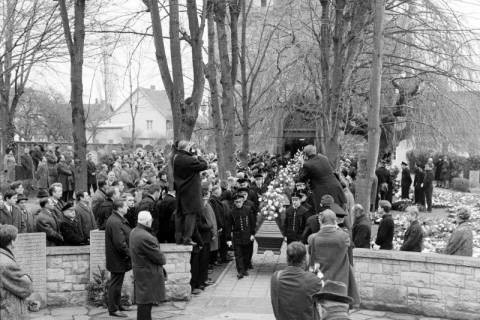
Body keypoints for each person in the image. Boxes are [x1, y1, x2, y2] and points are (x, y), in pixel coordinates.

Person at [308, 210, 360, 306]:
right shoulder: (344, 237)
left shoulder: (313, 238)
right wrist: (336, 227)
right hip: (341, 282)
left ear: (320, 221)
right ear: (335, 221)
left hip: (321, 281)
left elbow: (310, 255)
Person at [270, 242, 323, 320]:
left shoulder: (276, 277)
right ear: (305, 259)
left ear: (287, 259)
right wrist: (317, 275)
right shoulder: (313, 280)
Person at [130, 211, 166, 320]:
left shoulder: (134, 232)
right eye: (150, 221)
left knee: (143, 303)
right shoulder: (146, 237)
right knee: (146, 304)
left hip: (141, 271)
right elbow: (160, 258)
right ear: (147, 222)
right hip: (148, 273)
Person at [173, 140, 208, 245]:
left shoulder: (177, 157)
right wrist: (200, 155)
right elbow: (204, 165)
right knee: (190, 214)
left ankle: (179, 238)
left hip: (181, 189)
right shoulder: (188, 159)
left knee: (180, 214)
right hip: (191, 191)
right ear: (186, 147)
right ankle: (187, 238)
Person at [296, 145, 346, 212]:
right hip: (336, 188)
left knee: (324, 215)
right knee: (339, 214)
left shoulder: (307, 165)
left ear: (305, 154)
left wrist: (302, 164)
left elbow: (301, 178)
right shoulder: (324, 158)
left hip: (323, 192)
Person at [105, 199, 132, 317]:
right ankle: (113, 309)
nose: (127, 207)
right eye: (126, 205)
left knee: (117, 284)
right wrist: (130, 254)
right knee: (115, 284)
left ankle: (117, 305)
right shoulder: (115, 221)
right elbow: (120, 243)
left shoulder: (117, 219)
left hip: (118, 258)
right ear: (120, 208)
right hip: (117, 258)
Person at [0, 225, 33, 319]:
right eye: (17, 237)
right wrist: (26, 276)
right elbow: (26, 287)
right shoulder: (6, 263)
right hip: (9, 313)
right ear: (12, 242)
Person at [227, 193, 255, 279]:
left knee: (246, 254)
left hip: (247, 235)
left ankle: (245, 269)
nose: (238, 203)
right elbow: (228, 226)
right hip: (237, 236)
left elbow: (252, 223)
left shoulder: (248, 209)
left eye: (239, 201)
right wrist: (228, 239)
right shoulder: (231, 212)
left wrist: (253, 234)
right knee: (238, 254)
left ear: (243, 201)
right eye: (236, 202)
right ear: (234, 202)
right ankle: (240, 271)